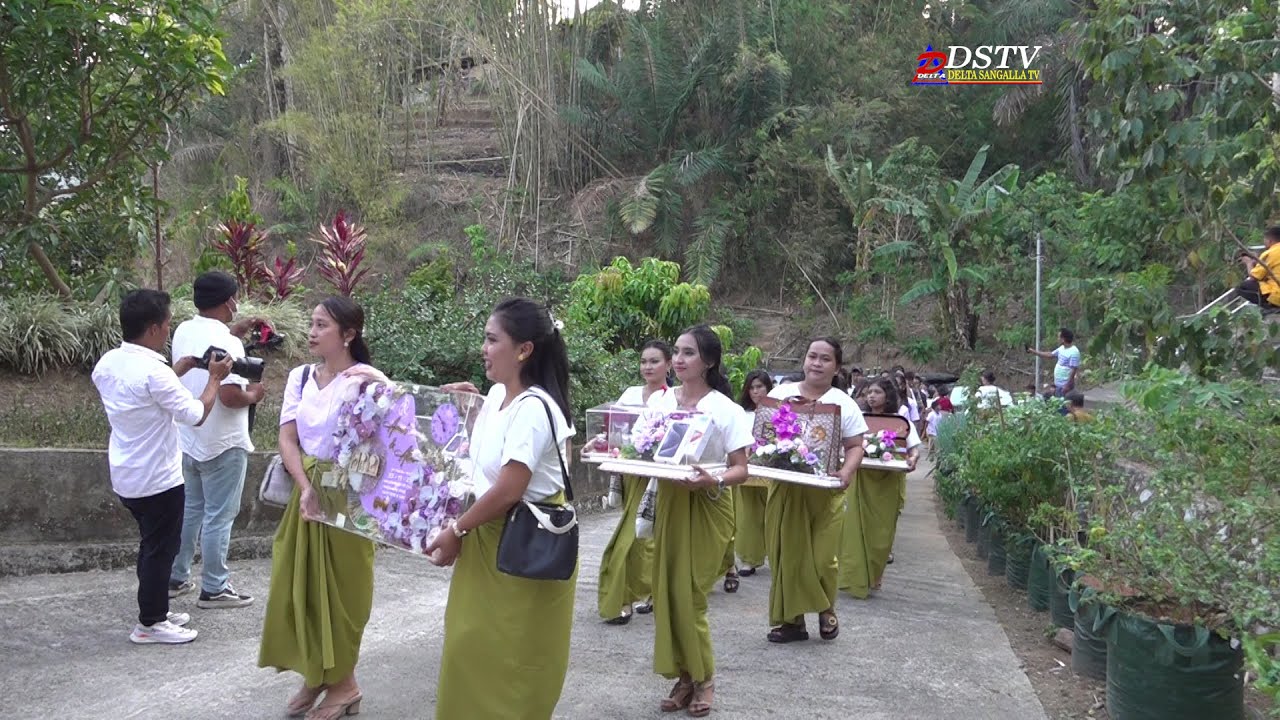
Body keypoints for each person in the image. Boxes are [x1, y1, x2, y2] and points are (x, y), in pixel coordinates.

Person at [426, 298, 578, 720]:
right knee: (469, 649)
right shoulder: (496, 396)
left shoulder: (534, 408)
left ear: (524, 349)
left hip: (521, 545)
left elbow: (510, 488)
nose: (484, 349)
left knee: (509, 660)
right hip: (488, 535)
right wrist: (468, 406)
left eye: (492, 340)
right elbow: (485, 459)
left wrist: (456, 531)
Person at [258, 297, 381, 719]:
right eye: (311, 323)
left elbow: (399, 427)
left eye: (321, 325)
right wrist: (305, 485)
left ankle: (342, 683)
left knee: (346, 592)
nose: (311, 332)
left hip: (348, 495)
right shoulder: (300, 377)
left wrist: (381, 380)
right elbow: (287, 439)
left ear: (348, 334)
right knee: (301, 589)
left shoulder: (365, 380)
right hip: (307, 492)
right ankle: (318, 675)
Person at [91, 289, 232, 644]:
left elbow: (142, 394)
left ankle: (155, 607)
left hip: (127, 474)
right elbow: (197, 414)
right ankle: (150, 624)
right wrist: (214, 378)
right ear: (154, 328)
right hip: (159, 480)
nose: (169, 329)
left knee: (151, 544)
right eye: (167, 323)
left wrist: (174, 371)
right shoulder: (155, 372)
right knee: (160, 550)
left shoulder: (107, 363)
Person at [647, 325, 754, 717]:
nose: (678, 360)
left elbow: (742, 469)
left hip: (709, 505)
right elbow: (644, 447)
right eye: (676, 351)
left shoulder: (725, 410)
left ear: (708, 362)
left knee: (691, 596)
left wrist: (715, 478)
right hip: (670, 504)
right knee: (667, 593)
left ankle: (705, 679)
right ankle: (685, 676)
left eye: (688, 353)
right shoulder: (660, 402)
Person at [167, 271, 262, 609]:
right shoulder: (232, 346)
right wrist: (255, 394)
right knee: (220, 516)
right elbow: (229, 396)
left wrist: (231, 333)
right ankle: (215, 587)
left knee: (191, 510)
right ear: (227, 302)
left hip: (189, 438)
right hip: (224, 442)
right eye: (234, 298)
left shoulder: (182, 330)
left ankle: (176, 577)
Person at [764, 338, 866, 644]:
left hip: (825, 490)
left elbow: (856, 446)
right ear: (804, 360)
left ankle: (825, 606)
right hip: (786, 489)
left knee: (822, 557)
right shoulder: (781, 394)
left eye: (825, 359)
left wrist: (847, 471)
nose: (817, 363)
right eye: (812, 356)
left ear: (836, 367)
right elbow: (762, 435)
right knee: (787, 555)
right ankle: (792, 622)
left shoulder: (843, 403)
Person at [595, 339, 670, 625]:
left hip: (656, 477)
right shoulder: (629, 393)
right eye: (644, 361)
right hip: (628, 471)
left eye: (654, 361)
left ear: (668, 365)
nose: (648, 366)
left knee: (642, 536)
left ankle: (627, 597)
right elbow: (617, 429)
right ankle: (639, 592)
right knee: (636, 531)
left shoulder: (671, 398)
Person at [839, 378, 921, 598]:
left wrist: (912, 460)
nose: (871, 396)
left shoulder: (900, 421)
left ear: (888, 395)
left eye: (877, 392)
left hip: (887, 484)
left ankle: (875, 575)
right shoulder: (860, 419)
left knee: (882, 533)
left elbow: (913, 449)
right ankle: (855, 580)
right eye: (868, 392)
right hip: (861, 481)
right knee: (854, 528)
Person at [734, 369, 774, 578]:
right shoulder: (741, 413)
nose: (756, 391)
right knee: (749, 514)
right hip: (748, 469)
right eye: (752, 387)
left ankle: (778, 557)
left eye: (760, 386)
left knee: (774, 514)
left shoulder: (780, 413)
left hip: (772, 470)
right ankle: (749, 559)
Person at [1026, 328, 1081, 397]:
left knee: (1062, 406)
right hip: (1058, 385)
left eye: (1058, 337)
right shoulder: (1061, 348)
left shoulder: (1074, 352)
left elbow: (1074, 370)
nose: (1057, 339)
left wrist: (1067, 385)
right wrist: (1033, 351)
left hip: (1065, 387)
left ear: (1063, 339)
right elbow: (1050, 355)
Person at [1235, 226, 1280, 308]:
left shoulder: (1270, 253)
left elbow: (1253, 277)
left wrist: (1248, 263)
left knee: (1243, 286)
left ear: (1270, 240)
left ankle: (1271, 306)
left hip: (1277, 294)